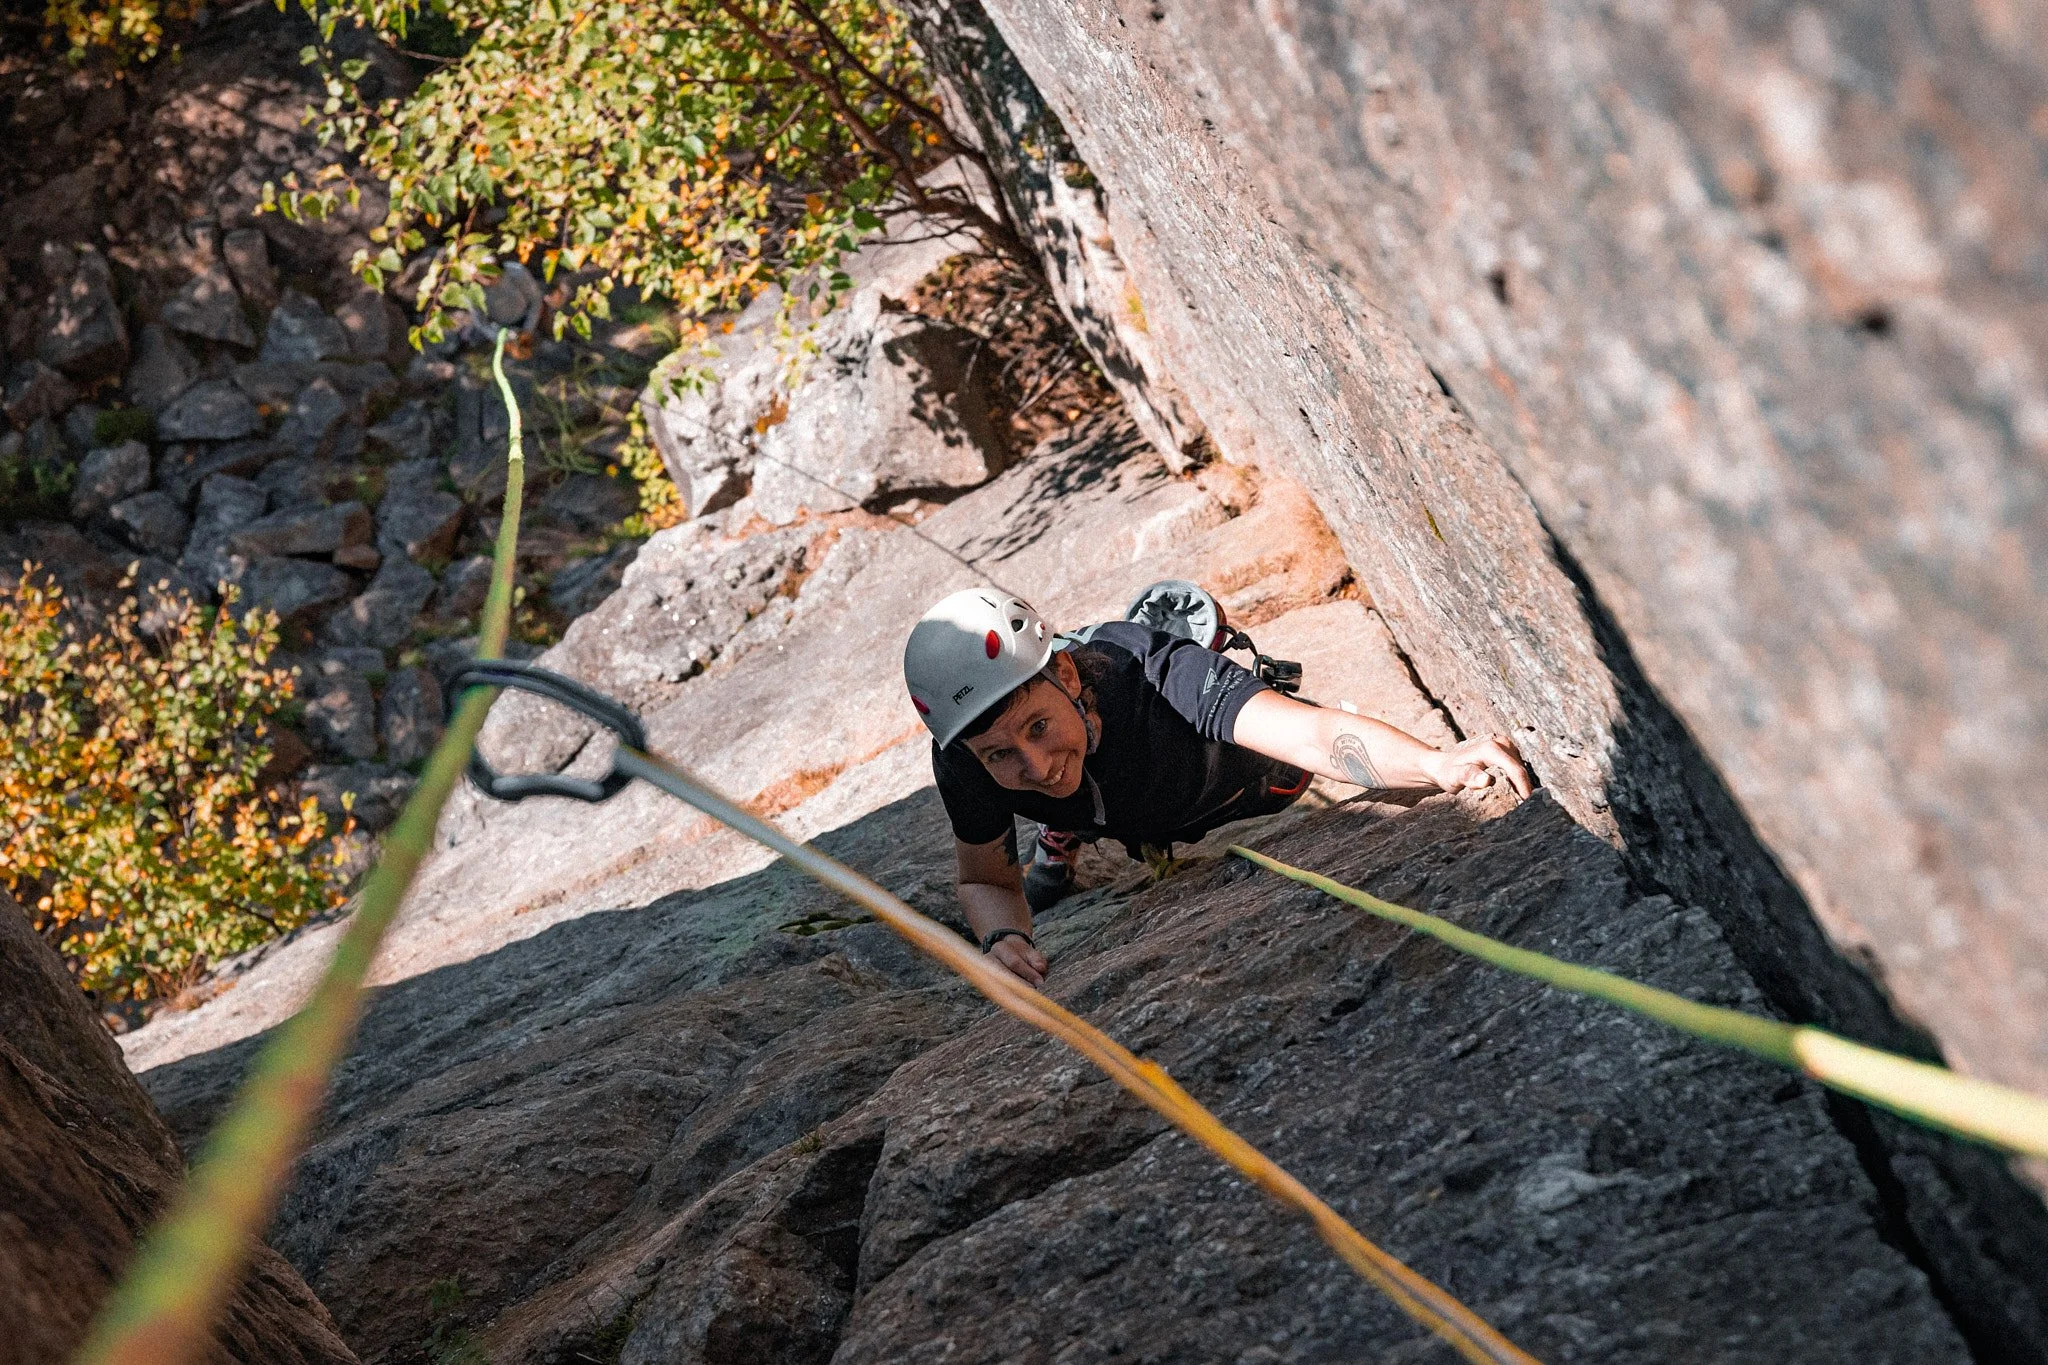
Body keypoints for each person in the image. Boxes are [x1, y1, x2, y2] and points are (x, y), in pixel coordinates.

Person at [903, 588, 1533, 986]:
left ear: (1066, 673)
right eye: (1000, 753)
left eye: (1038, 726)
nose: (1037, 765)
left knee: (1280, 774)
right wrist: (1004, 939)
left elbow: (1312, 738)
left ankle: (1210, 652)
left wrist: (1436, 765)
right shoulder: (963, 759)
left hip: (1228, 780)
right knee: (1068, 786)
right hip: (1121, 808)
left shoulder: (1154, 674)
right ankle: (1064, 825)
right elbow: (986, 880)